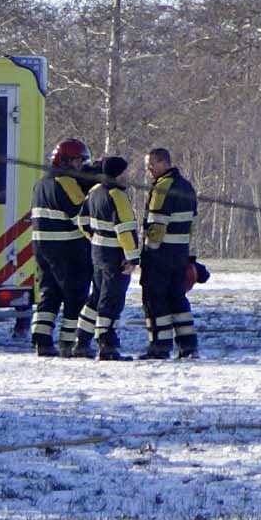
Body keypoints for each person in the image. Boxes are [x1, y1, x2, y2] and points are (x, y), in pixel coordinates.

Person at [29, 138, 94, 357]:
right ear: (65, 161)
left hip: (43, 248)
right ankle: (70, 342)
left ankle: (41, 339)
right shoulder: (66, 182)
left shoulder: (41, 183)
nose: (81, 166)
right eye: (78, 161)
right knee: (75, 294)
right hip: (68, 249)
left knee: (49, 293)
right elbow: (81, 215)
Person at [136, 147, 200, 361]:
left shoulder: (162, 187)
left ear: (164, 163)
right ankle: (188, 345)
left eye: (152, 164)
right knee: (178, 299)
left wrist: (148, 251)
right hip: (179, 254)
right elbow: (192, 223)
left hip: (160, 256)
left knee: (155, 299)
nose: (149, 169)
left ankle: (159, 346)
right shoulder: (187, 186)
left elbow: (156, 226)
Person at [77, 154, 142, 362]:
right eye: (125, 171)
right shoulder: (117, 195)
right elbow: (125, 229)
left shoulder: (94, 191)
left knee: (96, 296)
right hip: (115, 255)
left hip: (97, 252)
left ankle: (81, 340)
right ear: (119, 173)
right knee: (112, 299)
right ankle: (107, 345)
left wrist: (95, 238)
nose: (127, 175)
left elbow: (82, 221)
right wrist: (132, 258)